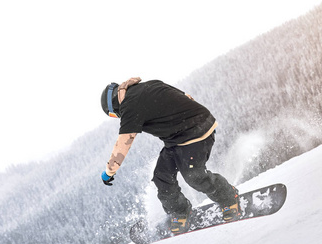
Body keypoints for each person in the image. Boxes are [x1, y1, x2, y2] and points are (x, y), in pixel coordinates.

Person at [100, 77, 240, 234]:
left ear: (114, 105)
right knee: (162, 177)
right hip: (176, 138)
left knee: (194, 175)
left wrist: (109, 171)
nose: (117, 117)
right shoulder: (147, 86)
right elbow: (185, 97)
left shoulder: (130, 105)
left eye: (113, 115)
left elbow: (124, 142)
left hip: (197, 132)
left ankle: (229, 198)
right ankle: (181, 211)